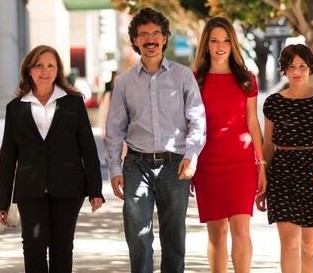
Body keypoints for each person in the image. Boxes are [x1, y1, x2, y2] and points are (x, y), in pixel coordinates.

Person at [105, 7, 206, 273]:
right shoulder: (124, 82)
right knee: (138, 238)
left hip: (175, 165)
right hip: (137, 165)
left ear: (164, 38)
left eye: (155, 34)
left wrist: (191, 156)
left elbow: (197, 120)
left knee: (174, 239)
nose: (150, 40)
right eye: (143, 35)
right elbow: (114, 129)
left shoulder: (183, 76)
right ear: (135, 40)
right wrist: (115, 169)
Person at [0, 44, 104, 273]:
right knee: (33, 248)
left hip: (68, 188)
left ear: (58, 70)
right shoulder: (15, 109)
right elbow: (7, 159)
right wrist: (2, 201)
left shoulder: (74, 103)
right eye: (38, 66)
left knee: (62, 248)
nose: (44, 71)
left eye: (50, 66)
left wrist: (95, 189)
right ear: (29, 70)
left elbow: (87, 148)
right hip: (30, 190)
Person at [256, 44, 313, 273]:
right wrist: (262, 178)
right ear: (284, 69)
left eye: (302, 66)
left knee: (310, 246)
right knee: (289, 242)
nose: (297, 71)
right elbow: (267, 144)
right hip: (283, 173)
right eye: (291, 66)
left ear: (310, 68)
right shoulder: (273, 103)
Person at [192, 17, 266, 273]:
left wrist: (262, 164)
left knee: (241, 229)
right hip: (208, 164)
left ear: (233, 44)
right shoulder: (194, 79)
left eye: (225, 40)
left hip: (242, 163)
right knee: (217, 233)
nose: (220, 46)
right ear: (206, 45)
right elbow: (189, 125)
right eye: (214, 41)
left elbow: (253, 124)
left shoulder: (247, 79)